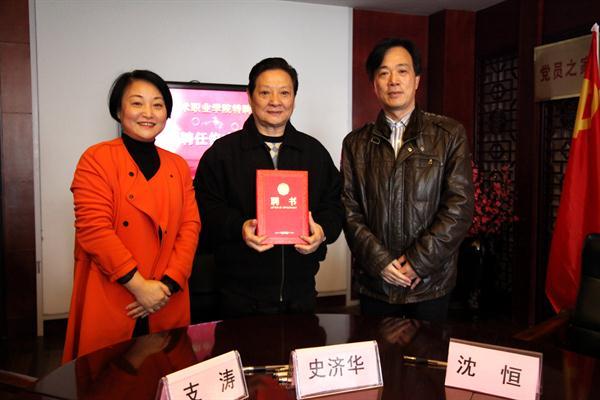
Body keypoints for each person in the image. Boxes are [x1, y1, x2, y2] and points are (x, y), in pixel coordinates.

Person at [62, 70, 201, 362]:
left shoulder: (177, 165)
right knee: (109, 376)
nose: (148, 113)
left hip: (167, 295)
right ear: (118, 110)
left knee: (166, 372)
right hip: (116, 293)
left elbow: (190, 226)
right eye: (137, 103)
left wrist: (168, 285)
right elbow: (94, 230)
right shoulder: (96, 159)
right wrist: (140, 287)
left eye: (158, 105)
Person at [194, 57, 343, 318]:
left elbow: (335, 205)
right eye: (265, 93)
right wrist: (239, 227)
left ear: (294, 98)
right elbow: (205, 209)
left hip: (301, 293)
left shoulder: (313, 152)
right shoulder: (223, 153)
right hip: (239, 297)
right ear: (250, 97)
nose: (275, 101)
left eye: (284, 93)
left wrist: (322, 232)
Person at [341, 38, 474, 322]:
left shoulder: (449, 135)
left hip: (429, 283)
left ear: (416, 80)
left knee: (427, 350)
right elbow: (349, 210)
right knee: (377, 349)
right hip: (377, 283)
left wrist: (417, 262)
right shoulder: (355, 143)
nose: (393, 81)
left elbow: (459, 208)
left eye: (402, 71)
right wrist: (380, 261)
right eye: (384, 73)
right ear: (374, 84)